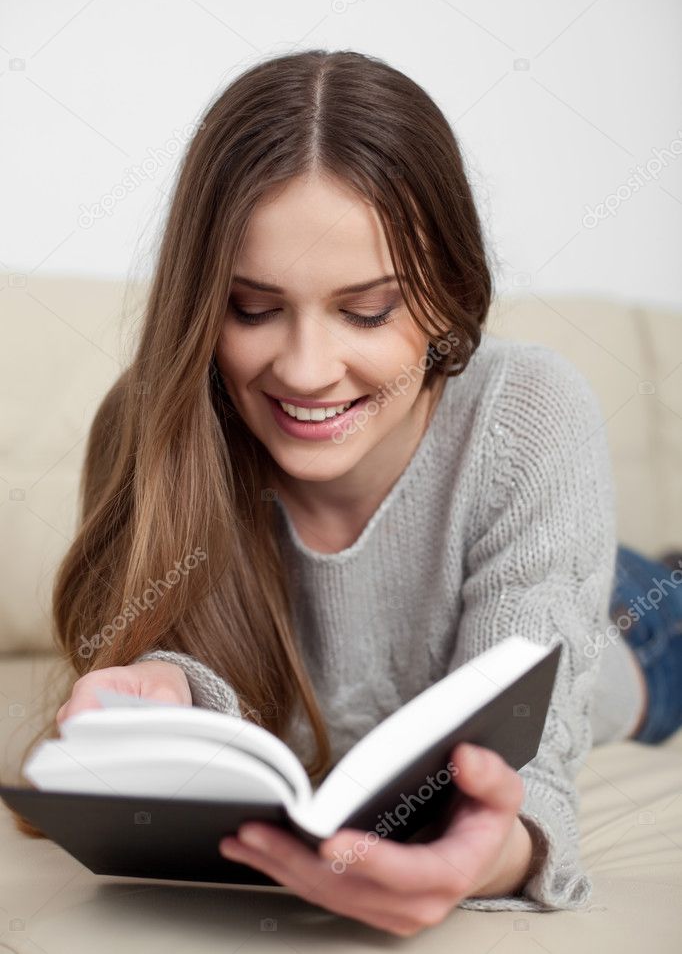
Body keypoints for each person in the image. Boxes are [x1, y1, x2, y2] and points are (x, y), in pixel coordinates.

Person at [16, 49, 682, 938]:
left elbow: (535, 775)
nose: (304, 368)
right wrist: (159, 692)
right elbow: (201, 700)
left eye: (366, 311)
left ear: (450, 297)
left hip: (633, 619)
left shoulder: (529, 412)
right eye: (252, 308)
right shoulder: (154, 429)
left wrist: (493, 849)